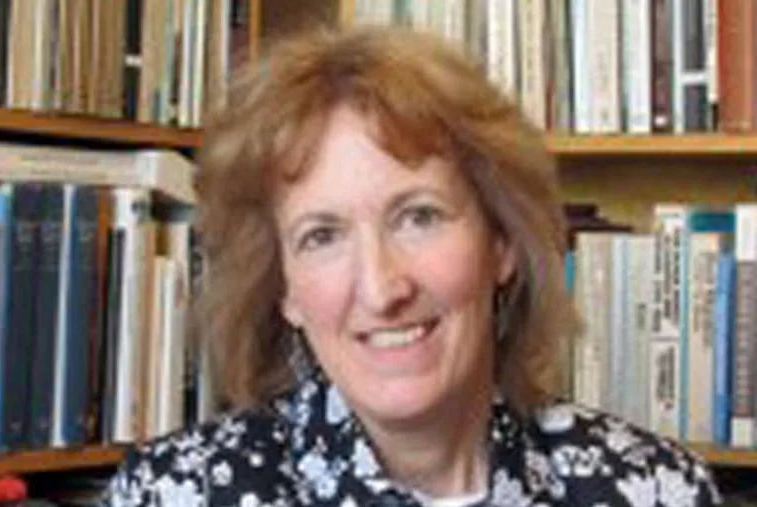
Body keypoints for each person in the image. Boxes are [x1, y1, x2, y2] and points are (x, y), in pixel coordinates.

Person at [107, 26, 722, 506]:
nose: (382, 288)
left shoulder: (655, 491)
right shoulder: (170, 494)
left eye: (419, 217)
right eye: (322, 235)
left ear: (502, 243)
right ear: (283, 286)